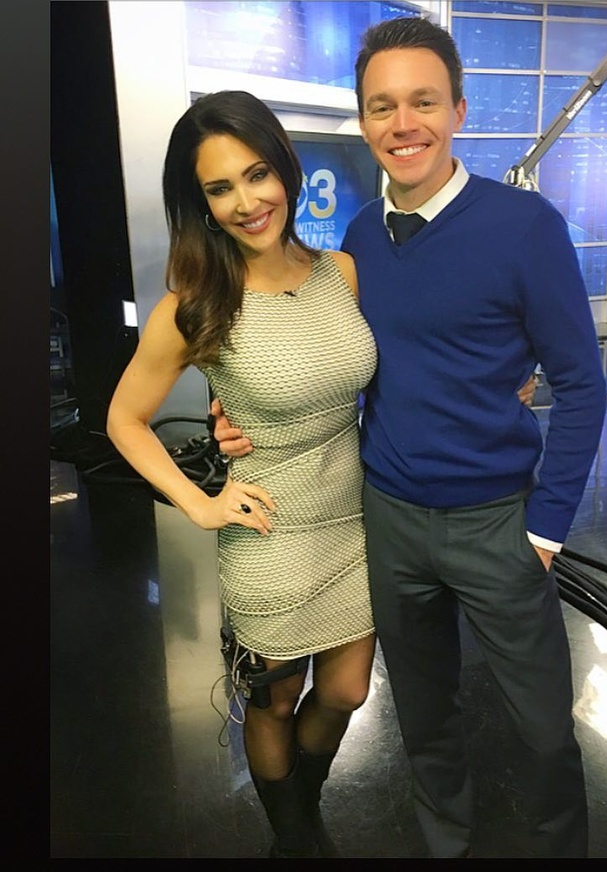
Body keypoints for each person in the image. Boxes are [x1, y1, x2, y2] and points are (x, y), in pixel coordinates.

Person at [213, 16, 607, 860]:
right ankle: (445, 843)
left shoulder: (526, 227)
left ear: (458, 109)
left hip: (499, 523)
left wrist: (545, 530)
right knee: (425, 718)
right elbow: (334, 359)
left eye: (423, 102)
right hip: (387, 519)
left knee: (544, 730)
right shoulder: (360, 237)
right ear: (363, 121)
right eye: (382, 106)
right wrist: (242, 412)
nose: (403, 124)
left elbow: (582, 384)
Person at [106, 90, 380, 859]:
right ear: (200, 203)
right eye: (220, 188)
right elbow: (124, 419)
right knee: (275, 699)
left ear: (285, 169)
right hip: (269, 530)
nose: (247, 202)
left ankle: (301, 810)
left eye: (257, 174)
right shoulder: (195, 305)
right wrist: (199, 504)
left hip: (353, 519)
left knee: (347, 690)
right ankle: (294, 837)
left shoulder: (342, 272)